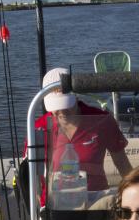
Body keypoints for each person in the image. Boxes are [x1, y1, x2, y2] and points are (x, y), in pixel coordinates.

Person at [36, 67, 132, 206]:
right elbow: (32, 173)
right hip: (55, 204)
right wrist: (39, 202)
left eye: (65, 104)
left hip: (96, 201)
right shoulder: (39, 127)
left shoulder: (101, 119)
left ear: (76, 96)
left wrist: (136, 193)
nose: (61, 111)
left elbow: (122, 163)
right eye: (56, 106)